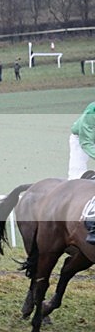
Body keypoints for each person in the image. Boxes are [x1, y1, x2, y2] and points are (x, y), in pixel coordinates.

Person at [70, 101, 95, 242]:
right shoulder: (92, 111)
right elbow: (86, 143)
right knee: (75, 178)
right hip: (81, 139)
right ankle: (92, 225)